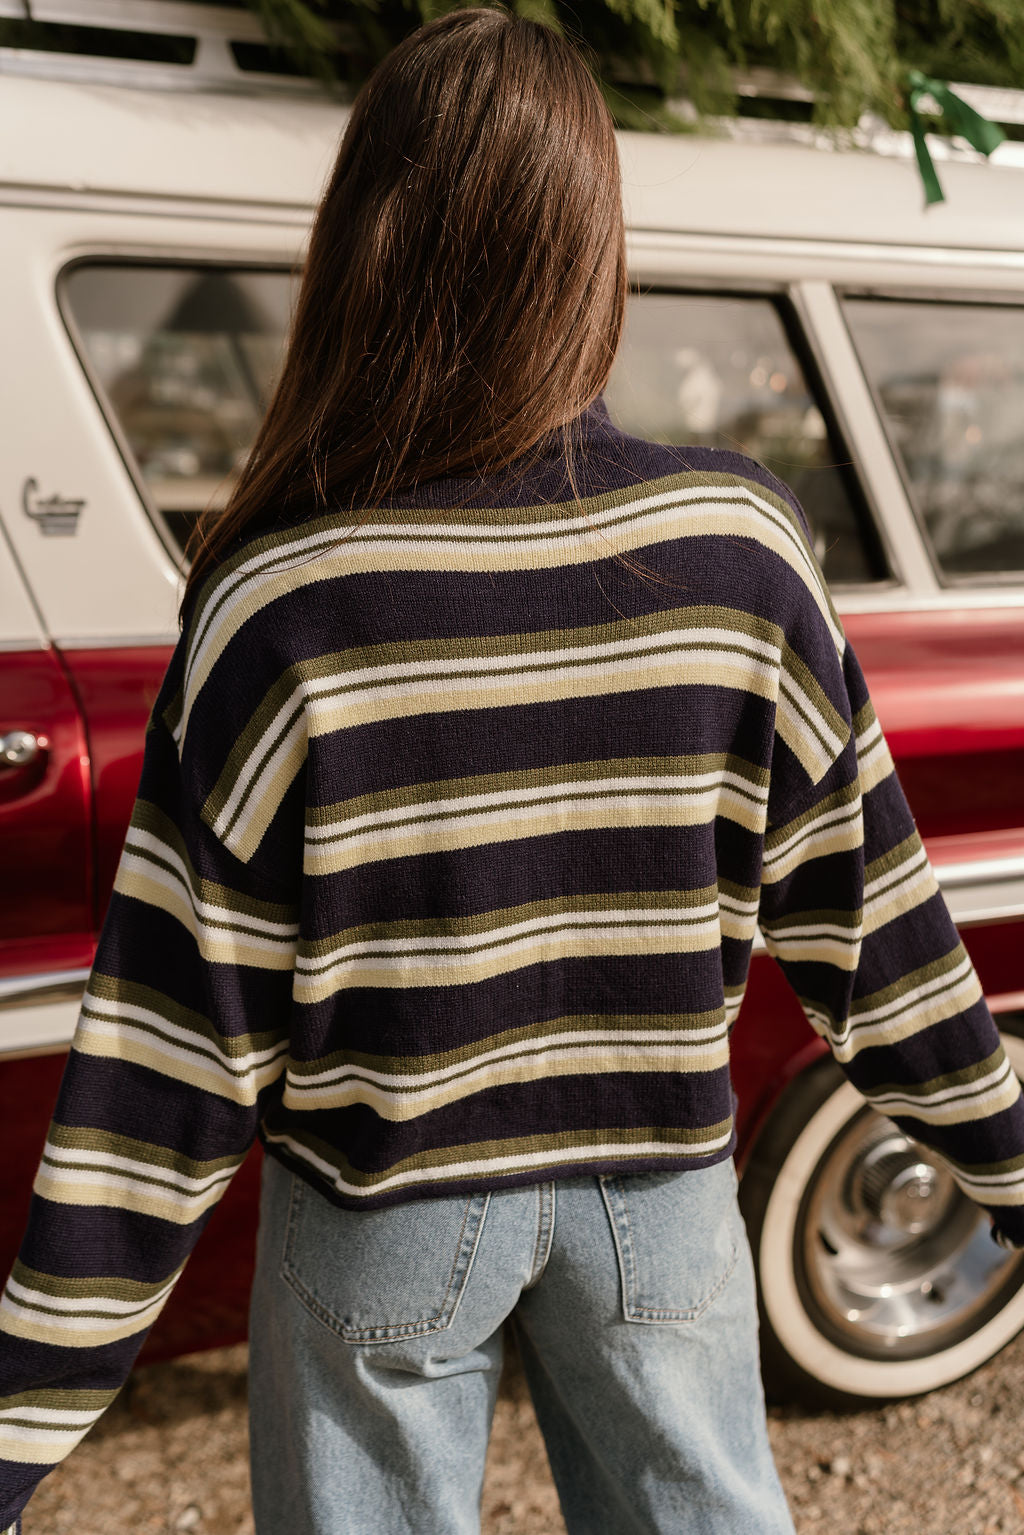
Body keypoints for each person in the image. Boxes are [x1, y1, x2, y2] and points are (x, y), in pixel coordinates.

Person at [2, 8, 1024, 1532]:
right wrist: (999, 1150)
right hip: (660, 1193)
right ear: (592, 248)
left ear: (364, 247)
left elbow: (169, 1051)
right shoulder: (739, 548)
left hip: (379, 1202)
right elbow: (872, 924)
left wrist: (26, 1412)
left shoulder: (278, 594)